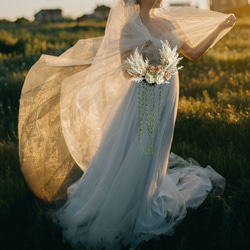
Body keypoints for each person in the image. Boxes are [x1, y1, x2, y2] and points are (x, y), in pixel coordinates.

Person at [18, 0, 236, 249]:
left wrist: (221, 26)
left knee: (155, 149)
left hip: (167, 94)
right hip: (146, 94)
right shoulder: (129, 27)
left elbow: (193, 53)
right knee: (143, 147)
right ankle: (131, 206)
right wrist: (152, 68)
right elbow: (125, 70)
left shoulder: (167, 21)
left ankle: (145, 193)